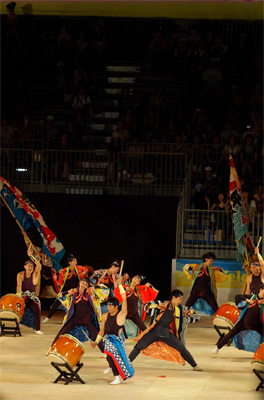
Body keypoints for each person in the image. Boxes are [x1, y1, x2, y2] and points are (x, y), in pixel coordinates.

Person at [128, 289, 202, 371]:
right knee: (139, 347)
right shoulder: (162, 303)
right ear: (173, 297)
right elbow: (147, 306)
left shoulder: (179, 309)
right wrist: (156, 306)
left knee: (182, 348)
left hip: (166, 334)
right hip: (154, 332)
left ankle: (194, 365)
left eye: (181, 299)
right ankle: (127, 363)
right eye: (179, 299)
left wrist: (190, 312)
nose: (180, 301)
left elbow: (195, 313)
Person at [91, 276, 135, 385]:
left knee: (115, 357)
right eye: (108, 305)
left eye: (110, 306)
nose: (108, 307)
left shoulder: (121, 315)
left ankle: (117, 377)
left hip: (118, 341)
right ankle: (113, 370)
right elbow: (102, 331)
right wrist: (96, 342)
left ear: (116, 307)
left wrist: (120, 285)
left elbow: (124, 299)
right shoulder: (105, 316)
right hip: (109, 339)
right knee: (108, 354)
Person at [47, 277, 108, 353]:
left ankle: (105, 352)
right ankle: (51, 349)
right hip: (75, 319)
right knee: (61, 333)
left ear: (87, 286)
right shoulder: (73, 293)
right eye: (82, 283)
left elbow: (105, 289)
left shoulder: (91, 293)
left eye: (86, 284)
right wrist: (67, 292)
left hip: (87, 320)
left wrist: (94, 287)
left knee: (96, 336)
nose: (83, 285)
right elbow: (59, 296)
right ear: (79, 282)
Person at [213, 283, 264, 354]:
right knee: (230, 334)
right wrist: (247, 300)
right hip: (243, 323)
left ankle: (260, 354)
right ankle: (218, 347)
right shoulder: (251, 297)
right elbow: (238, 296)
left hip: (256, 324)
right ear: (261, 290)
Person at [42, 255, 88, 323]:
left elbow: (86, 269)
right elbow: (58, 279)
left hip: (75, 291)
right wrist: (58, 275)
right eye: (74, 261)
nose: (76, 262)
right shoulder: (64, 271)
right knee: (57, 303)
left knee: (78, 304)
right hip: (66, 291)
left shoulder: (78, 268)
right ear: (70, 262)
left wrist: (84, 273)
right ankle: (48, 317)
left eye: (76, 261)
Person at [16, 244, 43, 335]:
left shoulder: (35, 275)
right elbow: (18, 287)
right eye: (28, 266)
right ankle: (14, 325)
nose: (30, 267)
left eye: (32, 266)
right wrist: (18, 299)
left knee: (37, 308)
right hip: (22, 296)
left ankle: (38, 329)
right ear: (25, 267)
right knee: (16, 308)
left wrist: (30, 256)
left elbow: (38, 264)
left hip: (31, 297)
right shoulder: (20, 275)